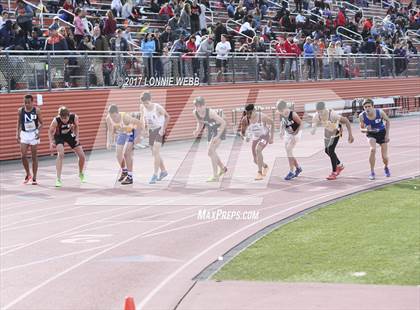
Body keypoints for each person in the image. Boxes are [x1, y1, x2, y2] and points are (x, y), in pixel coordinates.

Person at [311, 101, 354, 180]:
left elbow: (346, 121)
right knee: (326, 151)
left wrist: (350, 135)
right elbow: (314, 123)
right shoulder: (317, 115)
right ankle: (339, 165)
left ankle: (334, 172)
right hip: (327, 132)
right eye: (318, 112)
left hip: (336, 131)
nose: (320, 113)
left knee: (330, 150)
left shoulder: (332, 114)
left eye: (321, 111)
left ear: (325, 108)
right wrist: (313, 129)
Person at [48, 106, 86, 187]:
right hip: (59, 136)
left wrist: (77, 137)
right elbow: (50, 131)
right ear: (60, 116)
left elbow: (76, 127)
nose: (64, 120)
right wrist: (51, 142)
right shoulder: (55, 121)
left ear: (69, 115)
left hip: (69, 135)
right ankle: (58, 179)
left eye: (66, 118)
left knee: (82, 156)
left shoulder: (74, 117)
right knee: (61, 154)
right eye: (63, 118)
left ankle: (80, 173)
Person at [193, 97, 227, 182]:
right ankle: (222, 168)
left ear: (205, 105)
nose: (198, 108)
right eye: (196, 106)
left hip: (220, 129)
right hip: (211, 131)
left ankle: (215, 176)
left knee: (211, 151)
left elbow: (223, 123)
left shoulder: (211, 113)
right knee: (210, 153)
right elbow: (200, 122)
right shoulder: (195, 113)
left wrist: (217, 136)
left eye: (200, 106)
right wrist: (197, 130)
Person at [106, 105, 143, 185]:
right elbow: (109, 129)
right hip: (122, 133)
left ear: (118, 113)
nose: (113, 118)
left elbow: (139, 123)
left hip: (131, 131)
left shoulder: (125, 117)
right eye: (111, 116)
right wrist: (108, 141)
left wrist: (139, 137)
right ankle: (124, 171)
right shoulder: (108, 118)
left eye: (114, 116)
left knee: (126, 154)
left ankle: (130, 177)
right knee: (118, 155)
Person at [140, 92, 170, 184]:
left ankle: (155, 174)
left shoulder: (157, 107)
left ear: (150, 100)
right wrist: (144, 129)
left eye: (147, 103)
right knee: (154, 153)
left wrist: (163, 129)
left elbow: (168, 116)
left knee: (156, 151)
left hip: (159, 130)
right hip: (152, 131)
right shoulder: (142, 107)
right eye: (144, 103)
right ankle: (164, 171)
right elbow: (143, 118)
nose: (145, 105)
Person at [240, 104, 274, 181]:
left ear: (254, 111)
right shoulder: (245, 120)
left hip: (264, 136)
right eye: (247, 113)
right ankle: (265, 166)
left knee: (258, 150)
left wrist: (272, 137)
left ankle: (259, 173)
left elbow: (272, 123)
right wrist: (245, 137)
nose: (248, 115)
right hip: (255, 138)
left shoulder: (262, 116)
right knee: (256, 161)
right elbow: (242, 133)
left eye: (250, 113)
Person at [359, 98, 391, 180]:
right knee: (372, 149)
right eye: (365, 107)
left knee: (385, 157)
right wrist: (367, 130)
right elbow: (361, 129)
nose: (367, 108)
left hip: (381, 133)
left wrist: (387, 135)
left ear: (373, 106)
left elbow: (388, 121)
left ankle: (386, 167)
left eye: (369, 106)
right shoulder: (362, 116)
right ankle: (372, 172)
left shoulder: (380, 112)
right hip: (371, 134)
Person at [16, 94, 43, 185]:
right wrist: (17, 134)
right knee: (23, 155)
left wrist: (38, 132)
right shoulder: (20, 110)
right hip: (24, 134)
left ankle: (34, 177)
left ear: (32, 102)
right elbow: (19, 123)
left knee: (34, 156)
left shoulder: (37, 110)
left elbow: (42, 123)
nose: (26, 104)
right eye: (25, 102)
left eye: (28, 102)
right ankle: (28, 174)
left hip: (33, 134)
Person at [277, 100, 303, 180]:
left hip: (296, 133)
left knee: (289, 150)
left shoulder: (293, 114)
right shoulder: (281, 113)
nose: (281, 112)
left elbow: (301, 124)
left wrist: (296, 133)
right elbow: (282, 123)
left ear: (285, 108)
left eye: (282, 110)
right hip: (288, 133)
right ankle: (298, 168)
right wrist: (281, 131)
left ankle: (291, 171)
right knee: (289, 152)